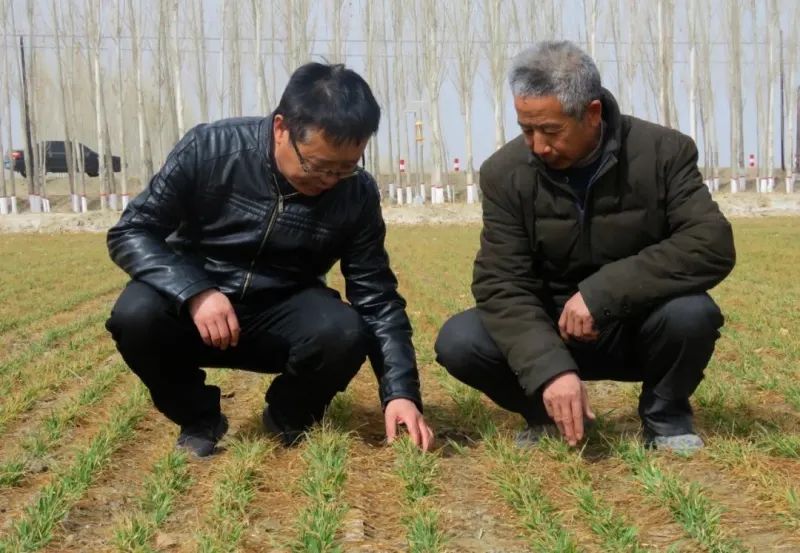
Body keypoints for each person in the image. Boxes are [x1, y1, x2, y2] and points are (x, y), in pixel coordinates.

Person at [106, 62, 433, 457]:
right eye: (317, 165)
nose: (329, 180)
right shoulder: (210, 150)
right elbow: (131, 231)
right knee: (135, 315)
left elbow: (376, 297)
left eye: (345, 168)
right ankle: (198, 417)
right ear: (282, 128)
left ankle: (288, 416)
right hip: (195, 311)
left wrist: (400, 394)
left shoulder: (356, 195)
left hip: (281, 310)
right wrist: (195, 291)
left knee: (344, 331)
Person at [435, 41, 735, 454]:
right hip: (552, 330)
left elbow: (710, 243)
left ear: (591, 113)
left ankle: (665, 416)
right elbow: (501, 284)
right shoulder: (504, 174)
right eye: (527, 130)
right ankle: (547, 414)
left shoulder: (664, 153)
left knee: (692, 313)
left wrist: (602, 294)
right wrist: (548, 370)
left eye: (551, 131)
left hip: (637, 324)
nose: (538, 146)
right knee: (461, 340)